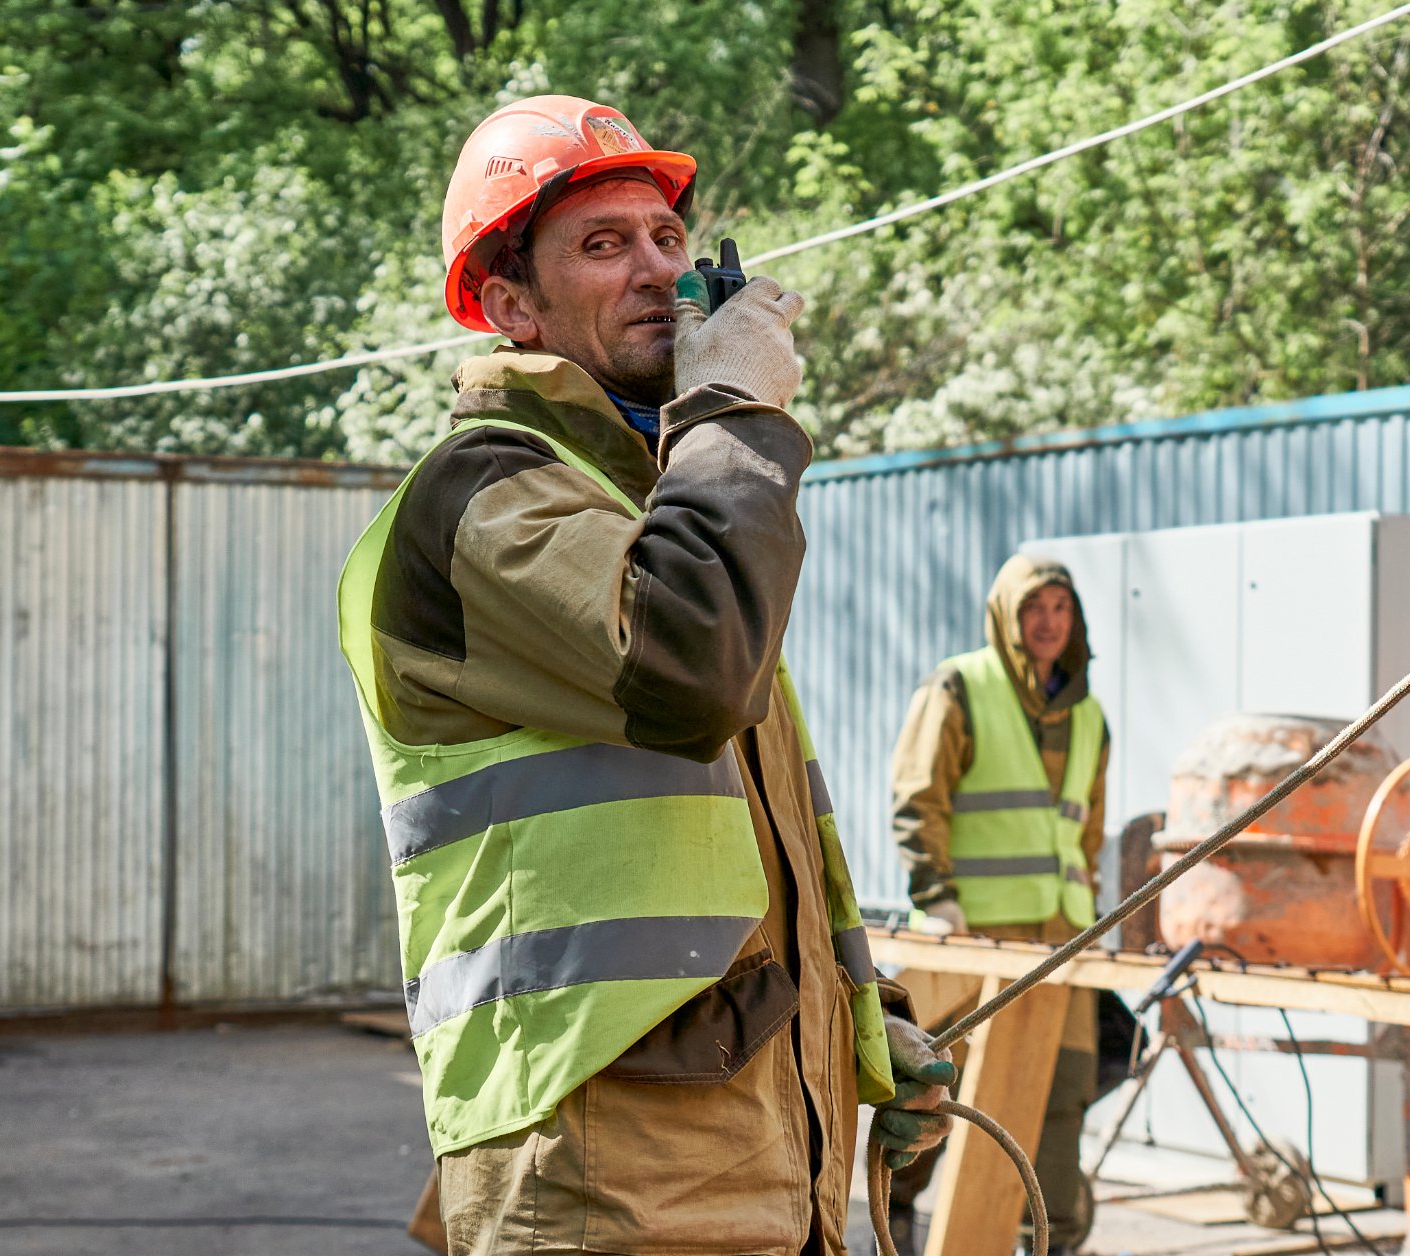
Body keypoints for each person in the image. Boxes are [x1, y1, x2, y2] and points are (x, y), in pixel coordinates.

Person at [335, 94, 953, 1255]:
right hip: (600, 1172)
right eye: (604, 245)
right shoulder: (480, 493)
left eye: (668, 238)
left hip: (747, 1148)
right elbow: (690, 672)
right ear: (511, 305)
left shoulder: (668, 508)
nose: (659, 273)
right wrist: (729, 409)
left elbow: (753, 842)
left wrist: (862, 1023)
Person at [885, 554, 1110, 1254]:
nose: (1048, 622)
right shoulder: (961, 686)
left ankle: (1050, 1241)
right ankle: (891, 1227)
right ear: (1008, 617)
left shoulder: (1091, 715)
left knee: (1060, 1102)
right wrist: (936, 898)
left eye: (1060, 608)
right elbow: (919, 797)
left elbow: (1087, 833)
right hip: (973, 941)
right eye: (1033, 608)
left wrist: (1093, 920)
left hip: (1060, 946)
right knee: (932, 1098)